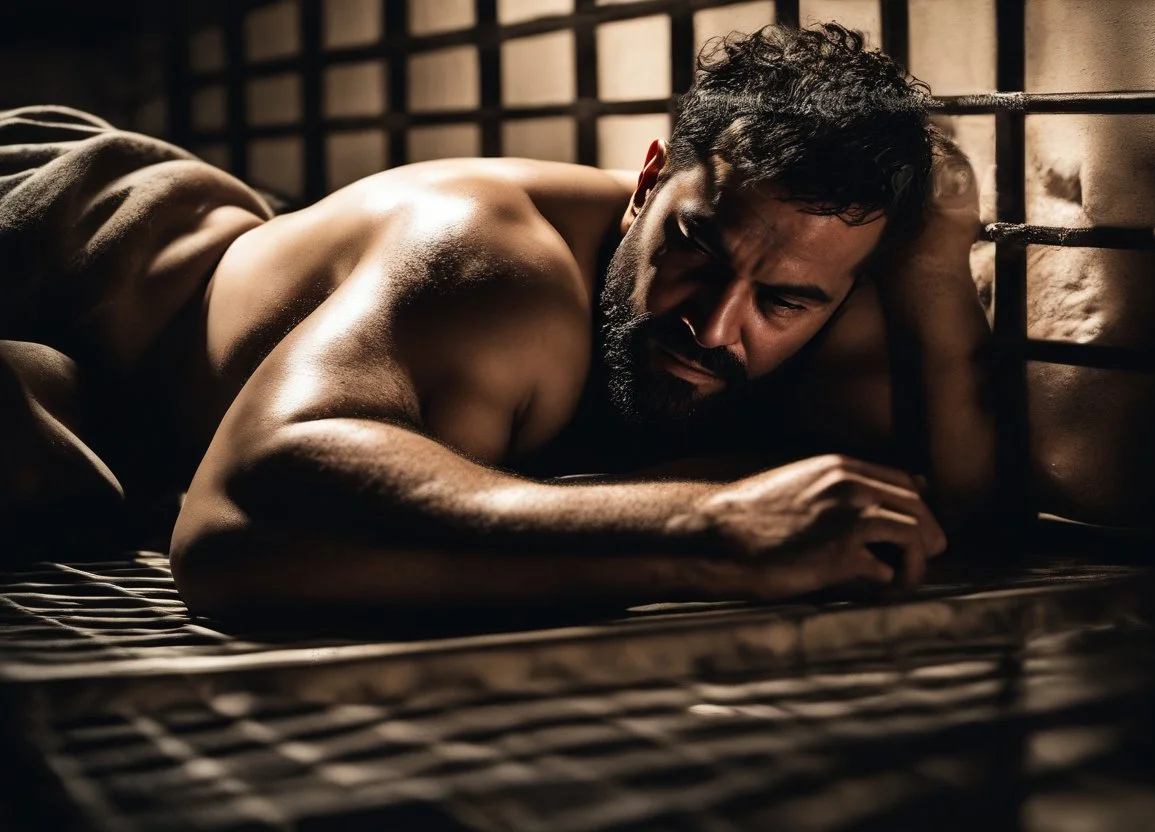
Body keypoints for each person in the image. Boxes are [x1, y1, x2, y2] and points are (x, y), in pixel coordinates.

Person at [4, 24, 994, 613]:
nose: (717, 325)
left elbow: (951, 516)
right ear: (649, 181)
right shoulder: (495, 273)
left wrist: (940, 272)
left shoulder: (820, 289)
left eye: (784, 302)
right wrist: (703, 529)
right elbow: (231, 533)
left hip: (118, 391)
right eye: (697, 248)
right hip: (77, 238)